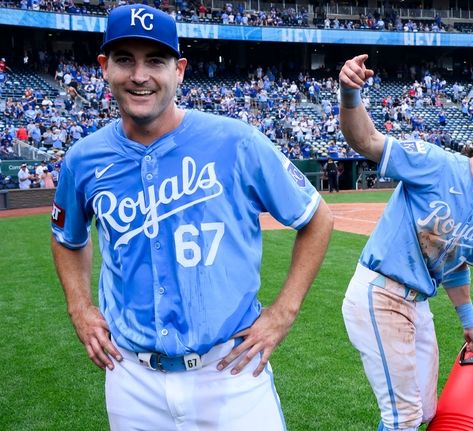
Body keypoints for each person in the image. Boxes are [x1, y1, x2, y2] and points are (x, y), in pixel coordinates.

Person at [50, 5, 333, 430]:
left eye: (156, 61)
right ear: (104, 68)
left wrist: (282, 313)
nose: (140, 75)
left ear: (179, 70)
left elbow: (316, 218)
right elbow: (67, 237)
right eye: (125, 60)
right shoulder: (83, 159)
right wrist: (79, 306)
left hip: (230, 372)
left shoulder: (236, 141)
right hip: (130, 378)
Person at [338, 54, 473, 431]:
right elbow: (366, 140)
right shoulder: (435, 163)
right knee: (404, 417)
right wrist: (349, 93)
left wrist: (470, 324)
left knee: (426, 413)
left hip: (419, 305)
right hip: (380, 292)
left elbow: (455, 268)